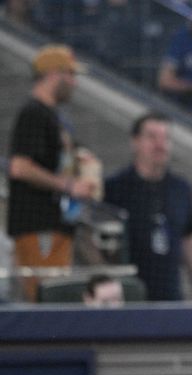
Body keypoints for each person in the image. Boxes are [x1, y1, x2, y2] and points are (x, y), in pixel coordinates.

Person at [6, 44, 101, 301]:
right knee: (45, 298)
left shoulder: (52, 116)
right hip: (39, 226)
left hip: (55, 226)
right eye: (69, 75)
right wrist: (68, 186)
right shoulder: (33, 113)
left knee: (55, 297)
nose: (74, 83)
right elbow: (19, 167)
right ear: (53, 74)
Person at [104, 112, 192, 301]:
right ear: (135, 142)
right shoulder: (114, 188)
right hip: (129, 299)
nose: (160, 145)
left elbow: (190, 238)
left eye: (165, 138)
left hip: (170, 297)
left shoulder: (181, 189)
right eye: (152, 137)